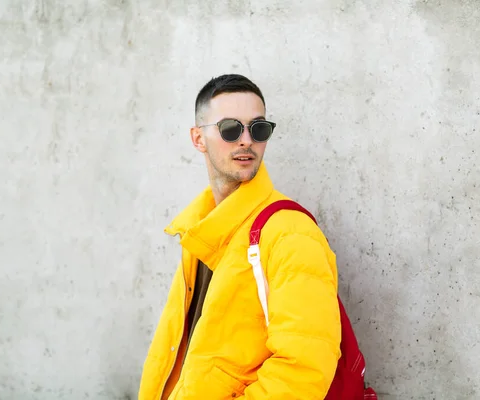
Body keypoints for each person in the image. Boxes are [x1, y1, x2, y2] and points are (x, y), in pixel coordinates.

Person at [138, 74, 342, 400]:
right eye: (230, 129)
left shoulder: (291, 235)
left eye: (258, 128)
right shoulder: (200, 231)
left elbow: (304, 367)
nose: (246, 140)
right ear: (198, 138)